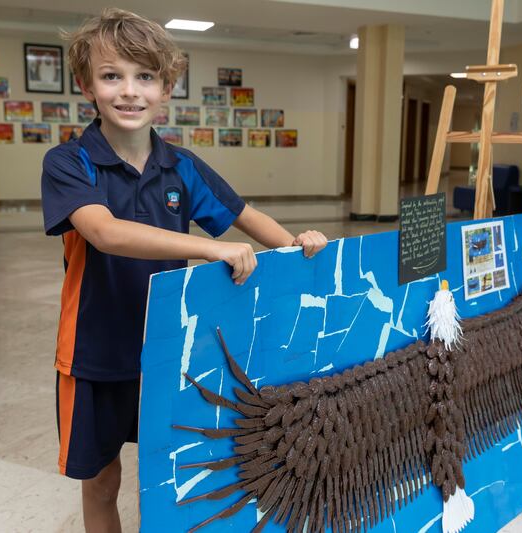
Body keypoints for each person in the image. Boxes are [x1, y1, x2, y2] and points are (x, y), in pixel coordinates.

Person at [41, 8, 328, 532]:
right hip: (94, 355)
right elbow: (104, 231)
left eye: (145, 77)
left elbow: (245, 216)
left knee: (173, 472)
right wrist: (206, 249)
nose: (130, 92)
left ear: (166, 87)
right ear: (86, 85)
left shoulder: (183, 167)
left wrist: (296, 244)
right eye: (112, 76)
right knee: (103, 482)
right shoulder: (69, 163)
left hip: (169, 351)